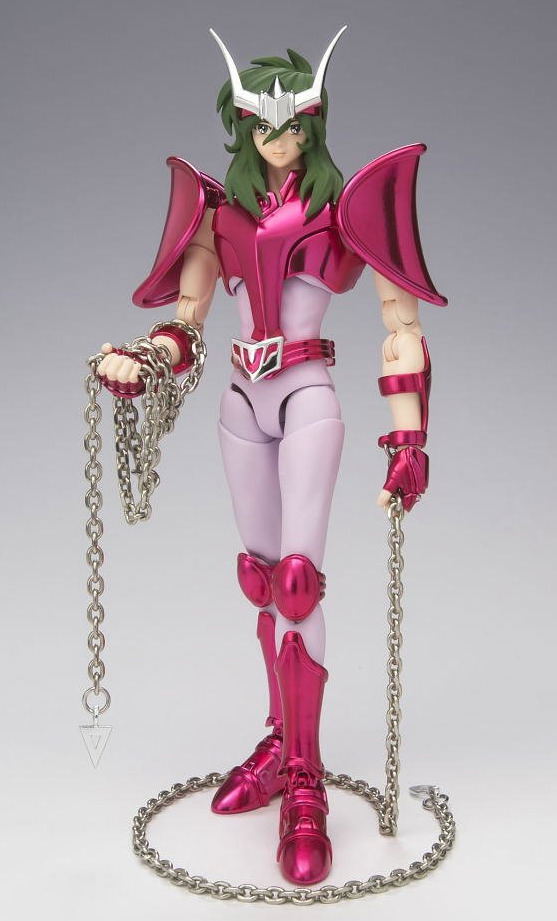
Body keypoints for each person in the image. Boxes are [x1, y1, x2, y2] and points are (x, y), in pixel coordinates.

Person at [97, 27, 446, 885]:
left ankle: (305, 781)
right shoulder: (219, 213)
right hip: (241, 400)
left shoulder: (343, 208)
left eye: (294, 125)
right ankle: (279, 739)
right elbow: (186, 324)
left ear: (314, 123)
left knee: (296, 580)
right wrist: (142, 361)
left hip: (305, 394)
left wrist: (408, 438)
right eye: (263, 124)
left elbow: (399, 324)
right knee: (258, 577)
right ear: (241, 124)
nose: (279, 138)